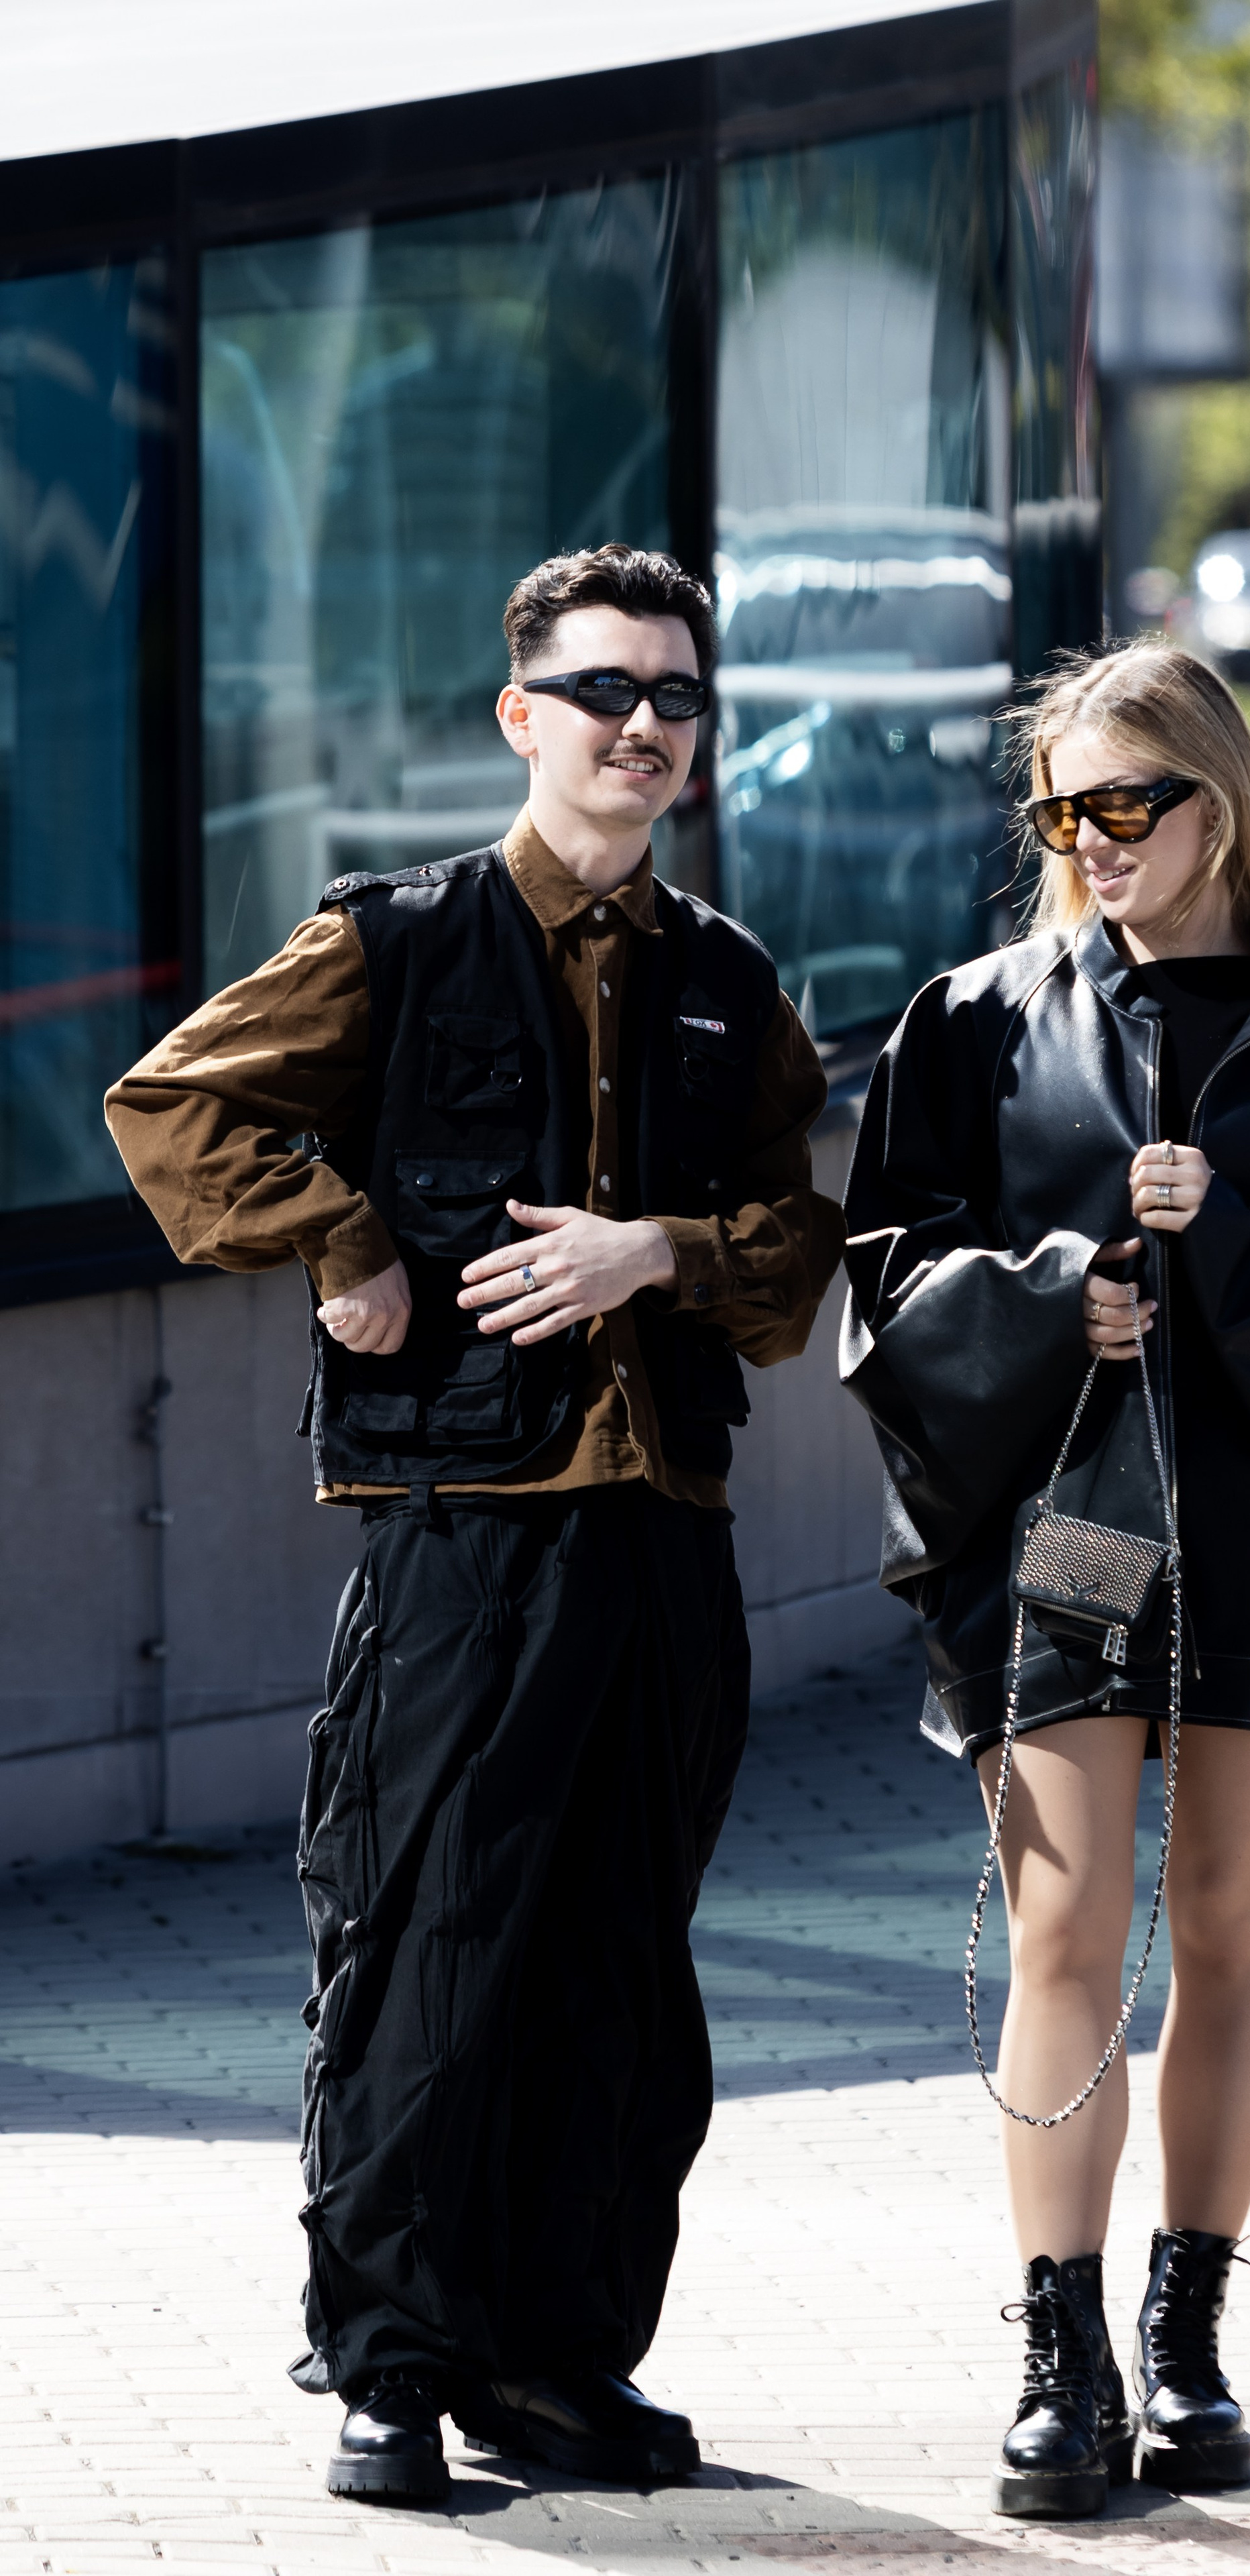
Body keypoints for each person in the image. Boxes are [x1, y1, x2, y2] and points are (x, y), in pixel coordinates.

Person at [105, 544, 843, 2504]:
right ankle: (393, 2364)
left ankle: (556, 2364)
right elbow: (175, 1111)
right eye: (606, 691)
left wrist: (650, 1253)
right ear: (521, 714)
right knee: (432, 1939)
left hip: (665, 1530)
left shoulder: (730, 987)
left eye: (676, 697)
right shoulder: (398, 941)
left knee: (624, 1964)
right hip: (464, 1529)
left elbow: (793, 1259)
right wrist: (346, 1242)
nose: (644, 727)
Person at [840, 642, 1250, 2519]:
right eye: (1065, 809)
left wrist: (1249, 1243)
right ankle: (1064, 2358)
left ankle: (1191, 2340)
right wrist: (1063, 1299)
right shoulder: (973, 1019)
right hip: (1061, 1515)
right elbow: (885, 1282)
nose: (1096, 840)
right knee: (1061, 1931)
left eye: (1132, 800)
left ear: (1223, 798)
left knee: (1227, 1925)